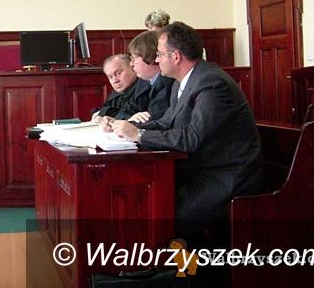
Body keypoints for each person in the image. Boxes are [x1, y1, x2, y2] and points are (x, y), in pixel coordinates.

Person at [109, 21, 263, 239]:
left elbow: (192, 138)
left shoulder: (211, 82)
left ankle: (175, 260)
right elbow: (166, 122)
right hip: (201, 168)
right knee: (146, 200)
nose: (156, 59)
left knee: (164, 213)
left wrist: (139, 135)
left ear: (176, 56)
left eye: (160, 54)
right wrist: (125, 127)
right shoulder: (182, 81)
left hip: (228, 175)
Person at [100, 31, 174, 124]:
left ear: (150, 57)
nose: (132, 64)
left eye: (134, 58)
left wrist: (129, 122)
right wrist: (118, 121)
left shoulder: (166, 82)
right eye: (110, 76)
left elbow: (157, 120)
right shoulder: (149, 81)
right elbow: (126, 110)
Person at [91, 54, 142, 121]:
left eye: (118, 73)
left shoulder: (143, 88)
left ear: (133, 68)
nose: (115, 81)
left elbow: (131, 115)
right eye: (110, 77)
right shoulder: (116, 93)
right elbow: (104, 109)